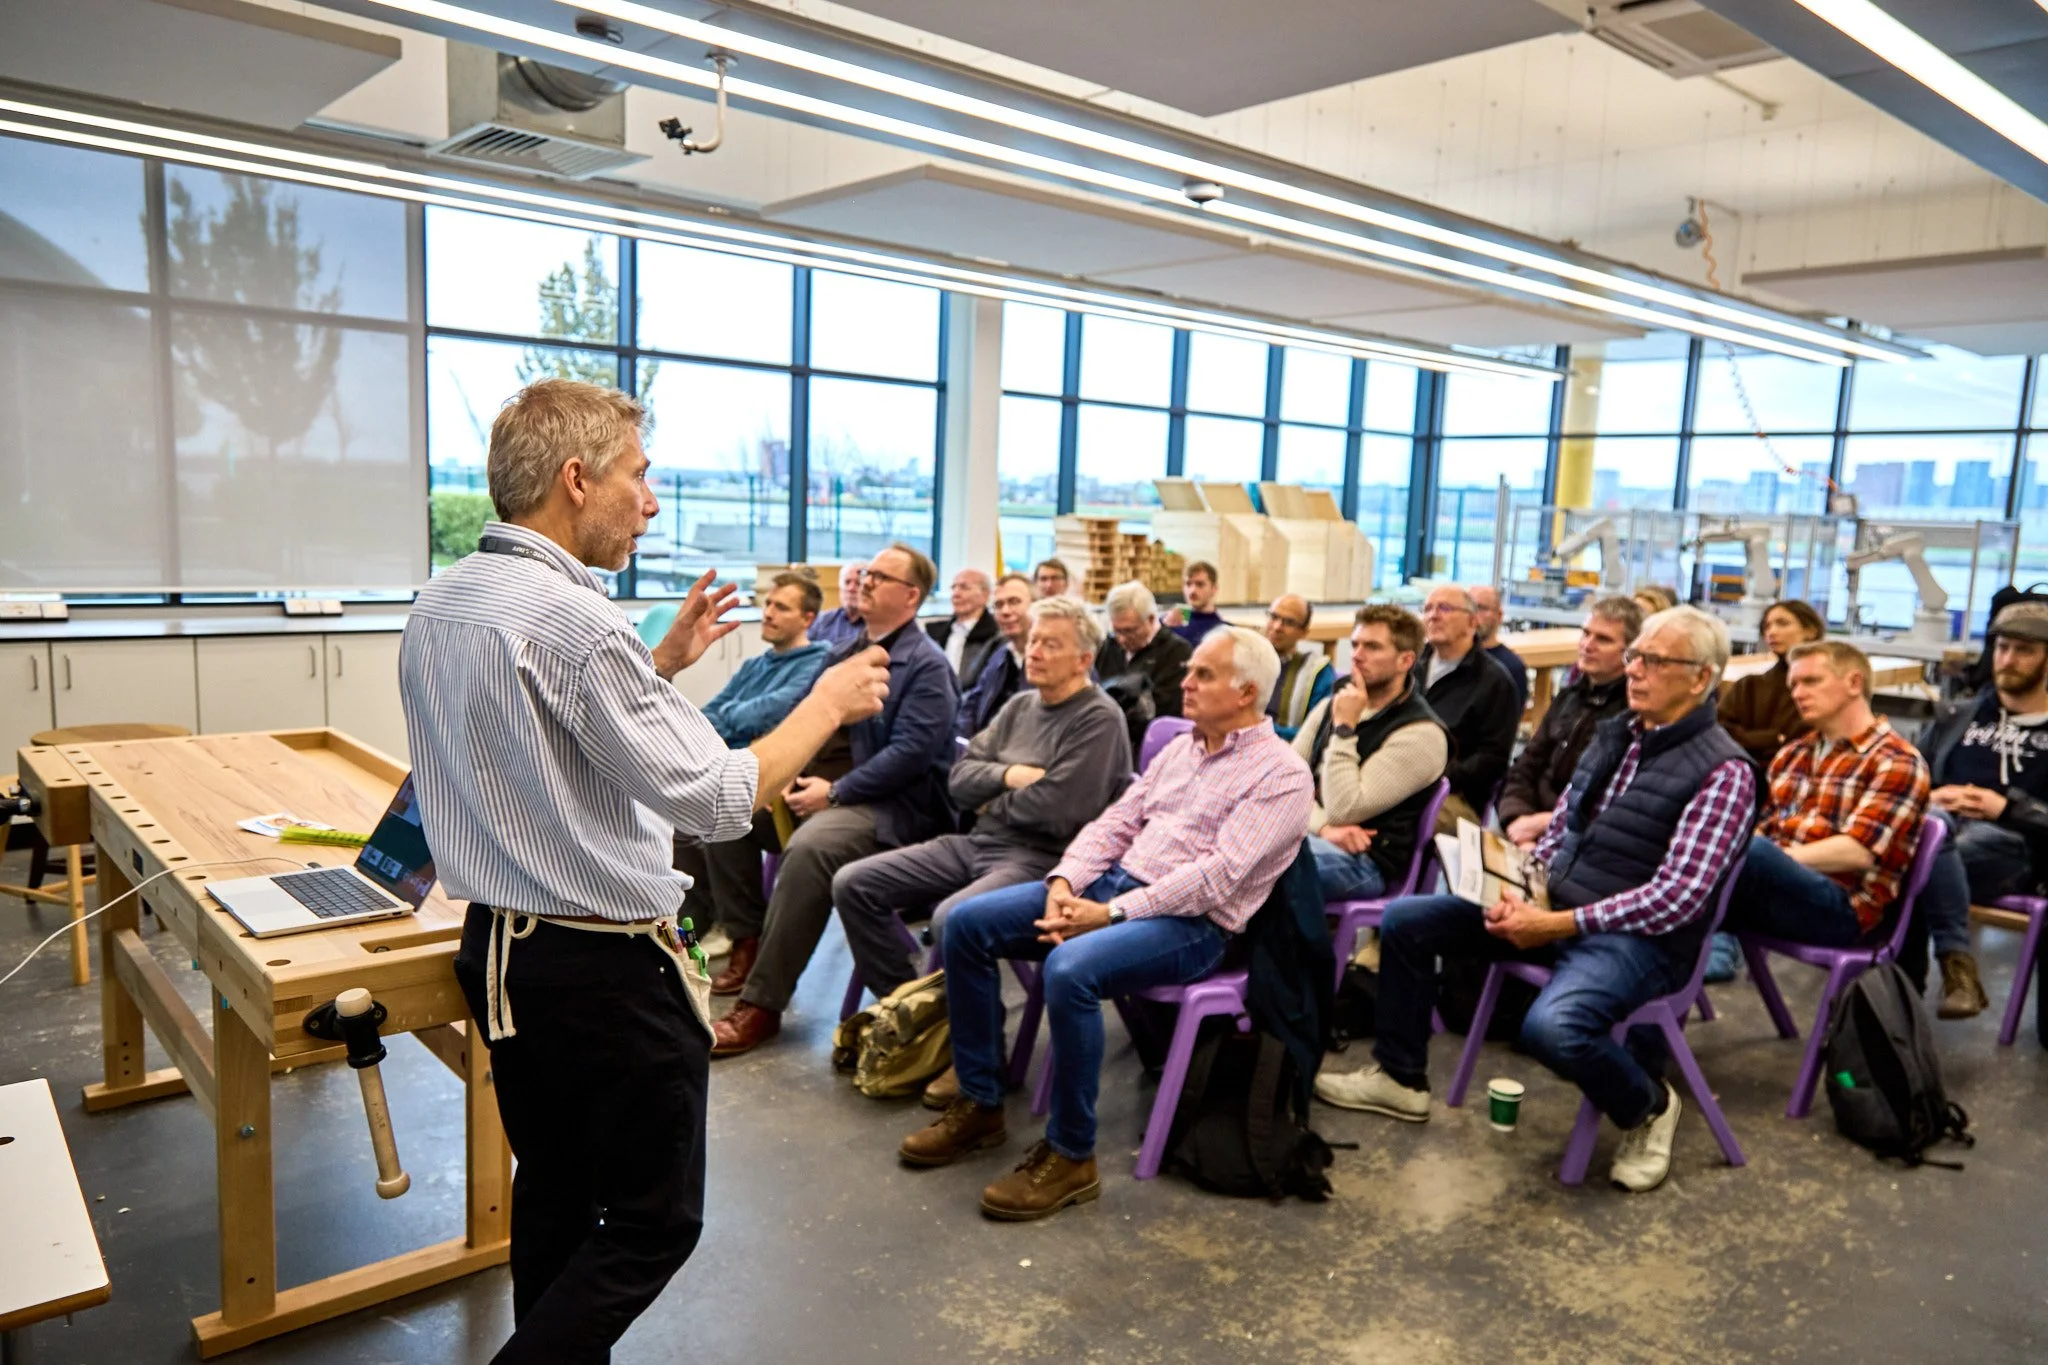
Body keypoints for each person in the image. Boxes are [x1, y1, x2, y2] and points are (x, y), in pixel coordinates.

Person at [403, 379, 889, 1363]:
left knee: (557, 1187)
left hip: (504, 955)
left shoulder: (444, 600)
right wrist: (829, 703)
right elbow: (716, 799)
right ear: (577, 480)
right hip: (601, 973)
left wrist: (654, 665)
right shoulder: (580, 627)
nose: (653, 502)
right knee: (650, 1223)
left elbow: (541, 740)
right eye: (639, 475)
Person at [1316, 606, 1755, 1195]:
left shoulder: (1724, 771)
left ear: (1701, 678)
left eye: (1653, 660)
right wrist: (1515, 887)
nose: (1634, 670)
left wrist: (1557, 922)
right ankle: (1400, 1077)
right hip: (1555, 907)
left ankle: (1649, 1105)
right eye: (1635, 657)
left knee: (1553, 1029)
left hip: (1636, 942)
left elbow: (1677, 897)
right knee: (1406, 920)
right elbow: (1562, 832)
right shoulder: (1619, 735)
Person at [897, 627, 1313, 1220]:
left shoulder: (1282, 775)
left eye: (1204, 674)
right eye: (1190, 671)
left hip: (1192, 925)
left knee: (1071, 969)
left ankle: (1072, 1156)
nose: (1186, 682)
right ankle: (981, 1100)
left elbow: (1217, 879)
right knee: (965, 925)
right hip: (1112, 887)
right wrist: (1064, 883)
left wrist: (1110, 914)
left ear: (1247, 692)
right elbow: (1115, 823)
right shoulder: (1183, 748)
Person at [834, 596, 1132, 1105]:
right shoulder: (1020, 706)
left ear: (1084, 659)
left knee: (953, 918)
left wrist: (992, 798)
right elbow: (960, 780)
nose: (1034, 651)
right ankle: (923, 1022)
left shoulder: (1100, 719)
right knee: (854, 884)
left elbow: (1059, 811)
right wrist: (1012, 776)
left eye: (1051, 644)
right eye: (1034, 640)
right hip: (978, 842)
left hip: (1043, 861)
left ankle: (978, 1053)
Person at [710, 542, 962, 1056]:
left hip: (897, 811)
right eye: (867, 573)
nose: (867, 581)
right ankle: (747, 940)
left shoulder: (928, 667)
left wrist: (836, 792)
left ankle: (762, 1003)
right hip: (834, 795)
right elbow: (809, 722)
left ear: (911, 596)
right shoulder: (846, 652)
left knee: (812, 850)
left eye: (881, 577)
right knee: (728, 810)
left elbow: (911, 756)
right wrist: (787, 774)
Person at [1727, 640, 1930, 951]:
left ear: (1854, 684)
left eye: (1811, 681)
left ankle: (1712, 951)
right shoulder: (1793, 753)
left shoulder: (1896, 760)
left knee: (1743, 858)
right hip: (1774, 886)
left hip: (1842, 906)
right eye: (1793, 685)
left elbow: (1858, 852)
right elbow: (1762, 826)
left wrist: (1768, 862)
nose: (1797, 694)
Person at [675, 573, 830, 954]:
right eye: (768, 604)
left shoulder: (819, 663)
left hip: (769, 779)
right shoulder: (756, 665)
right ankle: (704, 920)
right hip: (727, 764)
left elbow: (770, 712)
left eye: (782, 607)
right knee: (676, 818)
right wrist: (733, 716)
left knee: (719, 818)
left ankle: (737, 928)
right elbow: (707, 714)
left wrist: (730, 715)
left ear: (807, 619)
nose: (769, 613)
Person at [1913, 601, 2048, 1018]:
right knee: (1924, 838)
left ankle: (1904, 995)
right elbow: (1910, 777)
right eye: (2003, 647)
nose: (2008, 660)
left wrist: (2006, 807)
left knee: (1913, 863)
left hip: (2019, 849)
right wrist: (1932, 796)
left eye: (2024, 650)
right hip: (1943, 828)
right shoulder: (1959, 715)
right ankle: (1939, 979)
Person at [1294, 605, 1448, 902]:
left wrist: (1344, 730)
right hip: (1311, 835)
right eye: (1355, 644)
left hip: (1365, 863)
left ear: (1406, 660)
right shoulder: (1336, 700)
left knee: (1262, 866)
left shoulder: (1422, 734)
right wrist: (1322, 827)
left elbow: (1344, 809)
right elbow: (1281, 781)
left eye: (1372, 647)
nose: (1356, 655)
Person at [1499, 596, 1642, 850]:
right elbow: (1525, 766)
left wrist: (1543, 824)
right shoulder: (1570, 696)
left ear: (1630, 653)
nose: (1588, 645)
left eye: (1603, 639)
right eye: (1585, 633)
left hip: (1575, 839)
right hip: (1523, 826)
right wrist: (1517, 818)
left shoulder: (1633, 715)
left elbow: (1608, 801)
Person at [1413, 584, 1521, 831]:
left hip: (1454, 796)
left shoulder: (1494, 682)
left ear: (1472, 622)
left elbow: (1492, 760)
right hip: (1400, 778)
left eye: (1445, 608)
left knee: (1398, 819)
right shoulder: (1411, 667)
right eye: (1427, 608)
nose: (1433, 616)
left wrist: (1434, 777)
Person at [1718, 599, 1826, 770]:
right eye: (1767, 626)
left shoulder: (1824, 686)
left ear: (1811, 631)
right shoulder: (1748, 685)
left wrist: (1749, 739)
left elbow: (1801, 742)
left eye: (1782, 623)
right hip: (1743, 772)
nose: (1772, 632)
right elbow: (1720, 734)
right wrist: (1774, 737)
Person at [1095, 580, 1194, 753]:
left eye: (1129, 631)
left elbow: (1162, 714)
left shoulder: (1177, 653)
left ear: (1151, 619)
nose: (1122, 639)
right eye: (1117, 631)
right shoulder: (1109, 647)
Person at [957, 573, 1035, 738]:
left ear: (1035, 605)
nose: (1005, 611)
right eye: (998, 605)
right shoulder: (999, 654)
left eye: (1014, 602)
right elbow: (972, 705)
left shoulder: (1053, 660)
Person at [1263, 593, 1334, 741]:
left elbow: (1319, 731)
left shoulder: (1317, 672)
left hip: (1286, 748)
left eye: (1289, 622)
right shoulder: (1245, 659)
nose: (1277, 627)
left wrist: (1261, 729)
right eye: (1273, 617)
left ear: (1304, 632)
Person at [928, 567, 1000, 686]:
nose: (956, 594)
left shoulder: (997, 636)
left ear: (985, 595)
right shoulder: (935, 634)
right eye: (953, 588)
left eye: (964, 587)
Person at [1469, 583, 1529, 713]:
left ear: (1499, 615)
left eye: (1481, 608)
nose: (1474, 615)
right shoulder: (1454, 657)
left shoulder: (1511, 667)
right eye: (1470, 608)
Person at [1164, 560, 1225, 643]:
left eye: (1200, 584)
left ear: (1214, 589)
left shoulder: (1221, 630)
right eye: (1188, 584)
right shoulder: (1171, 620)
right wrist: (1164, 627)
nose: (1192, 590)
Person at [811, 561, 868, 648]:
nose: (851, 588)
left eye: (858, 583)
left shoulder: (877, 625)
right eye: (847, 582)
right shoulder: (821, 621)